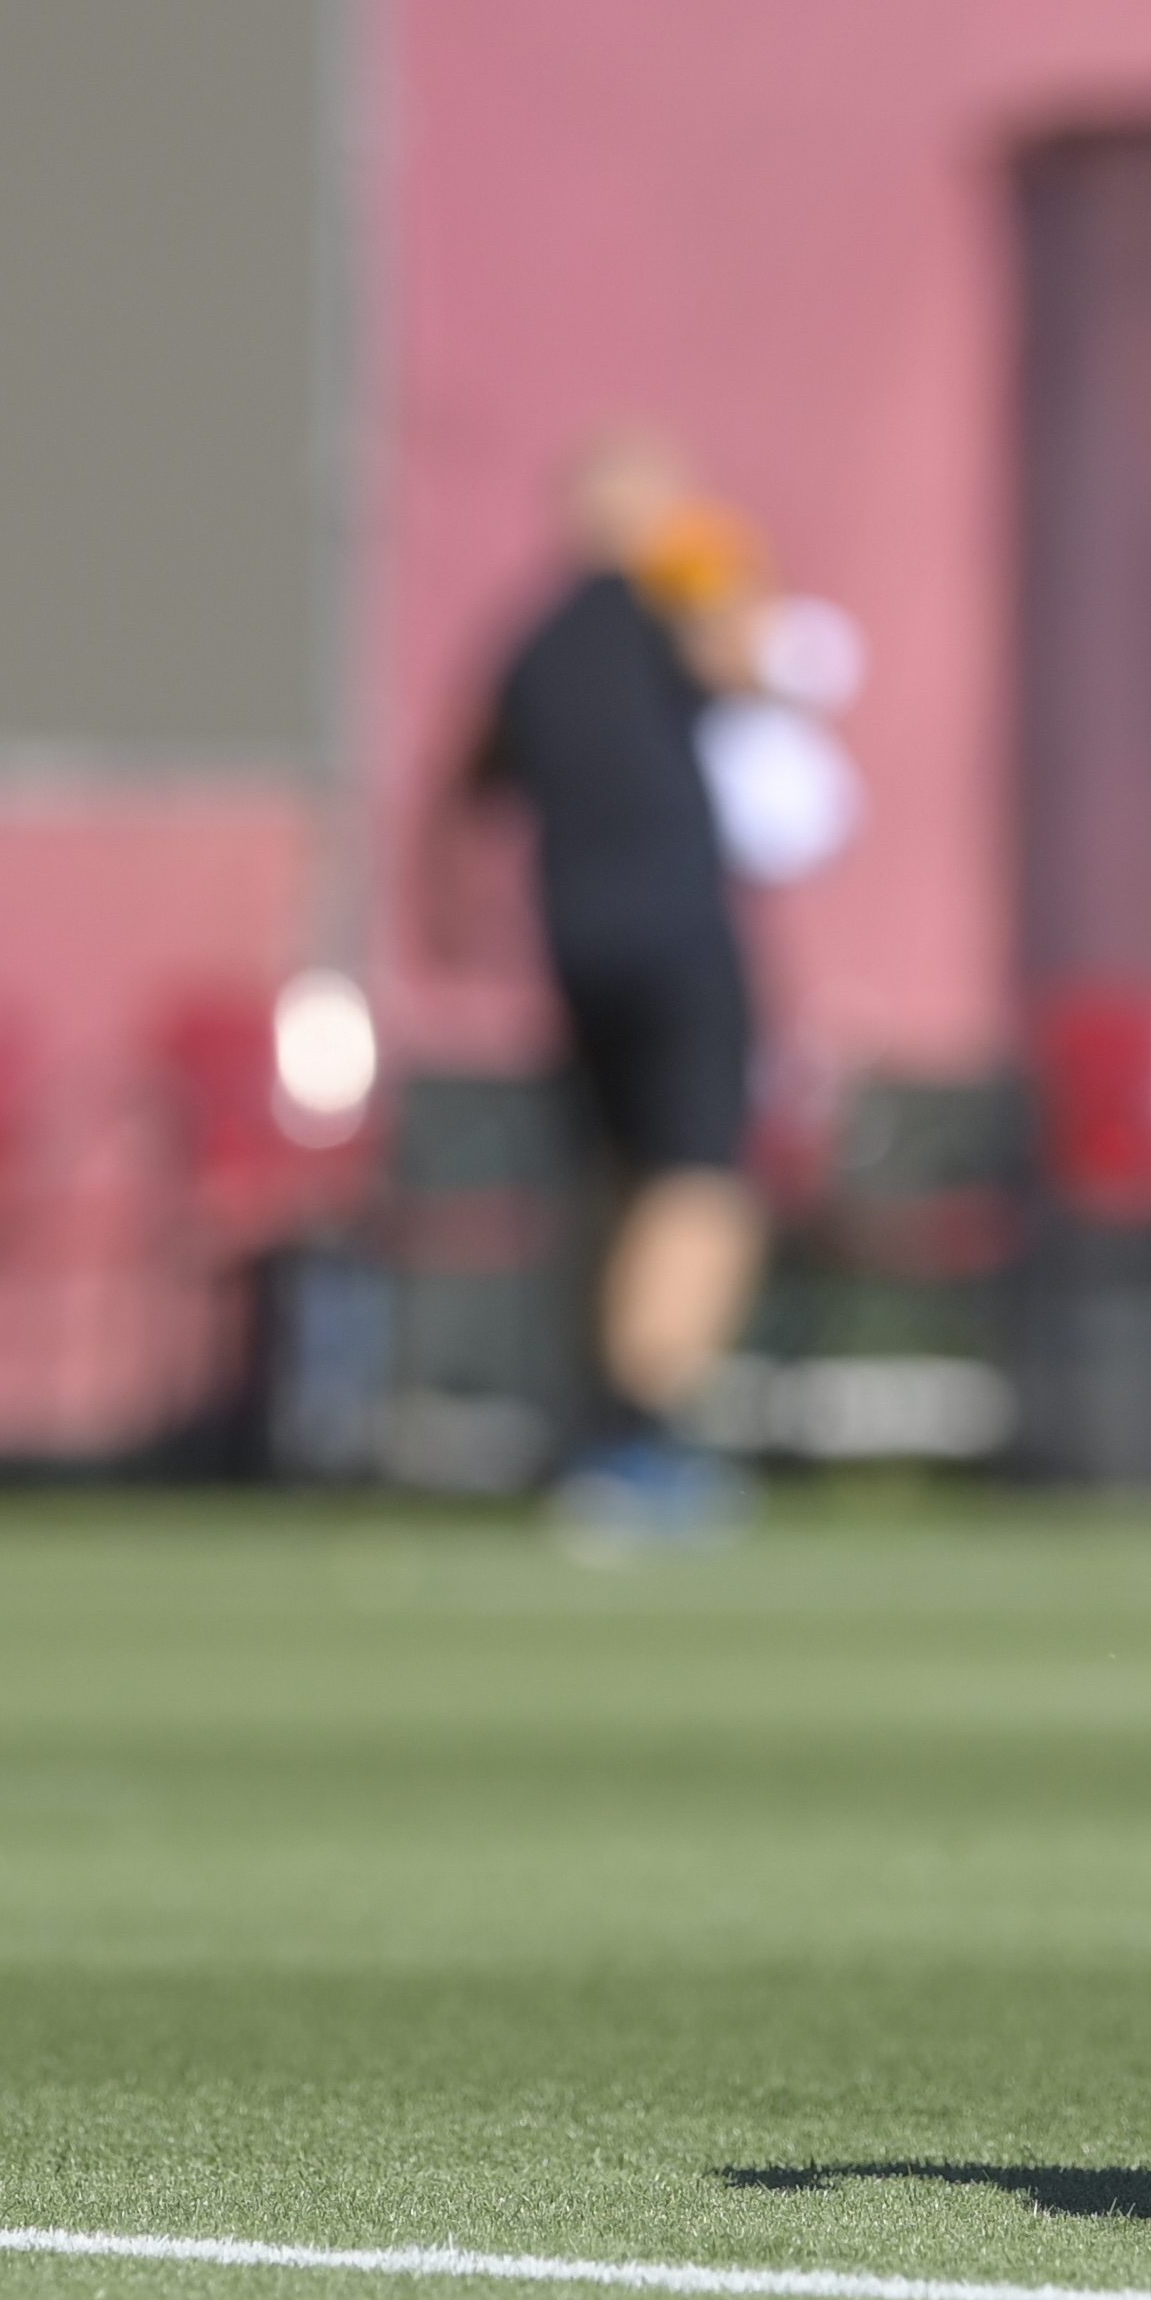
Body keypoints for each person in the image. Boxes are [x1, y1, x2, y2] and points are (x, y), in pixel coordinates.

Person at [470, 440, 770, 1538]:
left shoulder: (534, 639)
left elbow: (472, 779)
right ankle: (642, 1434)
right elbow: (756, 666)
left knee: (615, 1179)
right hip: (681, 937)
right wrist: (720, 569)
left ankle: (599, 1424)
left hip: (577, 943)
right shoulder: (673, 607)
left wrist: (450, 916)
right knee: (701, 1177)